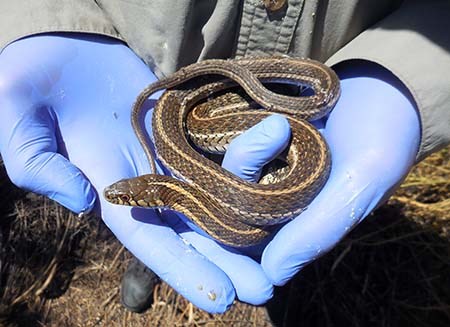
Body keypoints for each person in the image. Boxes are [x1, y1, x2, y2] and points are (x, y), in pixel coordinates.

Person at [0, 0, 449, 315]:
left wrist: (403, 73)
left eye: (126, 197)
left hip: (330, 60)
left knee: (288, 238)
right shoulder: (172, 162)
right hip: (155, 59)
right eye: (126, 197)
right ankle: (147, 263)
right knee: (175, 230)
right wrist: (37, 14)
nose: (121, 197)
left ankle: (288, 284)